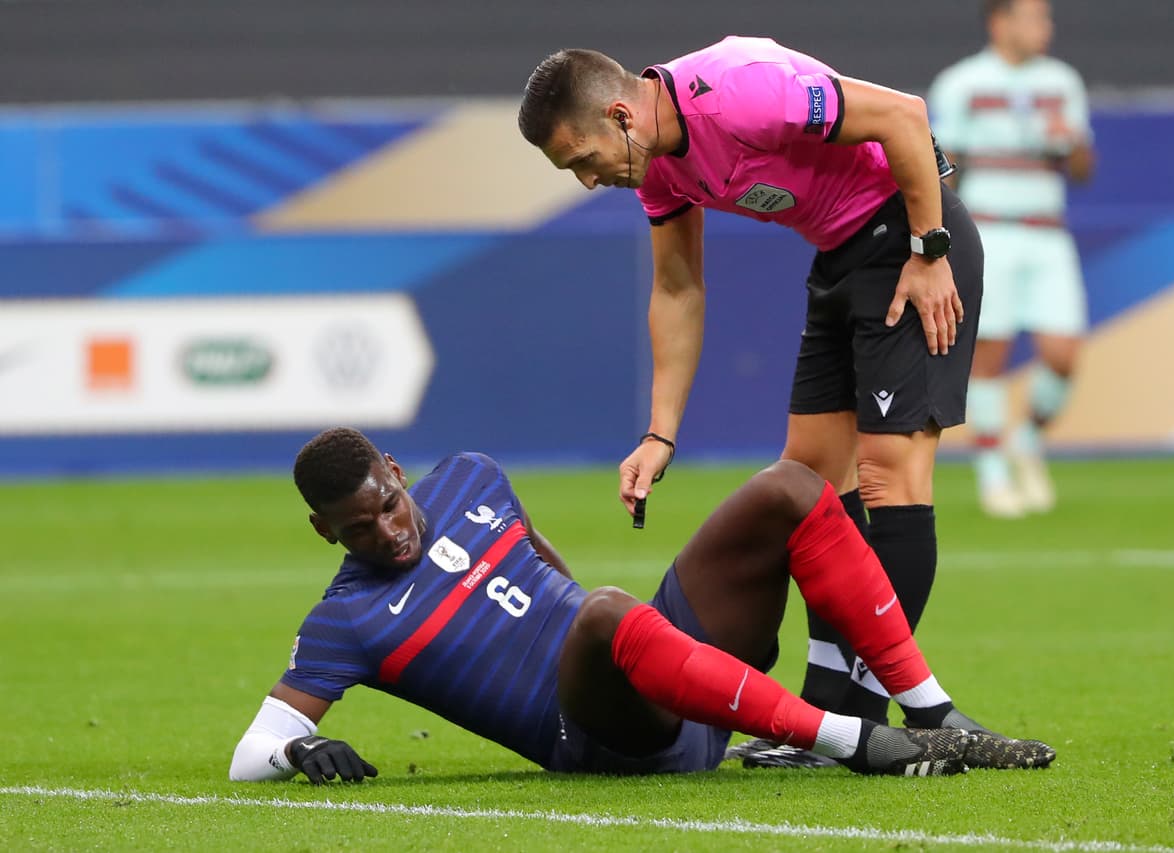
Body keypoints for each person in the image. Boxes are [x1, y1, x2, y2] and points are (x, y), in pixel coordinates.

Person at [517, 36, 984, 766]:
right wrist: (659, 434)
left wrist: (931, 253)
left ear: (620, 116)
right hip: (840, 256)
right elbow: (677, 290)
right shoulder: (657, 169)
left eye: (583, 159)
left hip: (909, 240)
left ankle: (861, 719)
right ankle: (833, 720)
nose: (586, 179)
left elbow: (904, 116)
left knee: (890, 477)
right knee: (810, 488)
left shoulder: (739, 90)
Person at [230, 427, 1054, 783]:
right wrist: (300, 753)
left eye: (386, 503)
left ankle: (936, 709)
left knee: (791, 486)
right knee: (604, 614)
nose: (387, 530)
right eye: (358, 528)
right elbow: (250, 750)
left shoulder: (474, 475)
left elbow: (550, 568)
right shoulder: (344, 620)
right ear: (322, 531)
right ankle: (859, 742)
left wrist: (644, 645)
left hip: (667, 671)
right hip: (600, 733)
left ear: (396, 471)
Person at [928, 0, 1095, 518]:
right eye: (1033, 17)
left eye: (1045, 18)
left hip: (1048, 232)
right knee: (990, 353)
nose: (1044, 27)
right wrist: (945, 239)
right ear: (1000, 23)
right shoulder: (961, 84)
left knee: (1064, 354)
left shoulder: (1062, 82)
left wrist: (1068, 141)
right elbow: (942, 168)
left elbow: (1084, 167)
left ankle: (1026, 440)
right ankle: (993, 472)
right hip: (990, 230)